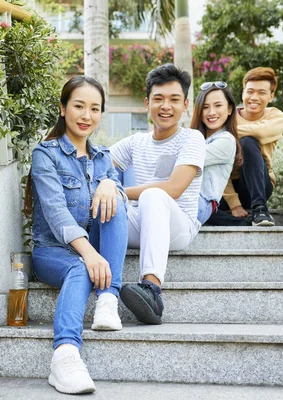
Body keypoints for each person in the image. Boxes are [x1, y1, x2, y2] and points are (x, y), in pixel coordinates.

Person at [24, 76, 128, 394]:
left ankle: (108, 298)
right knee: (79, 266)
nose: (86, 116)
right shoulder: (46, 154)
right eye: (79, 106)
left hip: (91, 247)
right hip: (52, 251)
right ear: (63, 108)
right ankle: (65, 355)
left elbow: (116, 196)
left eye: (94, 109)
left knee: (116, 203)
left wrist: (111, 183)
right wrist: (90, 253)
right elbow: (56, 213)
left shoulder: (103, 157)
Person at [109, 64, 206, 325]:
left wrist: (120, 191)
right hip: (141, 222)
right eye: (158, 99)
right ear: (146, 103)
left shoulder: (192, 138)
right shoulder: (135, 142)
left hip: (178, 226)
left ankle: (151, 290)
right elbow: (99, 162)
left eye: (174, 99)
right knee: (103, 205)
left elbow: (174, 188)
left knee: (152, 195)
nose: (166, 106)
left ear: (185, 104)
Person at [215, 67, 283, 226]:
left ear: (271, 95)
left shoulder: (276, 116)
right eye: (250, 91)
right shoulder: (228, 117)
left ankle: (260, 209)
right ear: (243, 93)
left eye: (261, 92)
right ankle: (242, 223)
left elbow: (260, 133)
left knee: (248, 142)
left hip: (259, 184)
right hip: (225, 187)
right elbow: (218, 164)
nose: (254, 97)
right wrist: (234, 203)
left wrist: (224, 132)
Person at [190, 81, 243, 225]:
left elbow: (186, 159)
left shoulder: (226, 140)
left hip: (201, 205)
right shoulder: (195, 138)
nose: (211, 112)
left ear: (230, 109)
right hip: (183, 199)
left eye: (218, 106)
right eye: (205, 107)